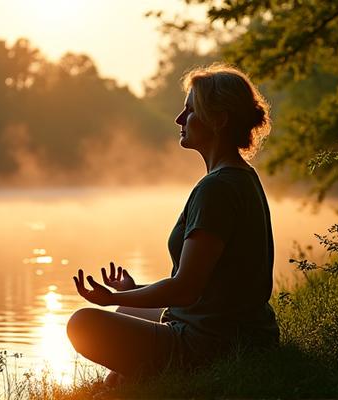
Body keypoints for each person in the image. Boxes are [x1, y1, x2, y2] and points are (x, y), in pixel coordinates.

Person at [66, 63, 280, 385]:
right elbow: (204, 286)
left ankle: (128, 382)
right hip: (239, 330)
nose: (179, 120)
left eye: (190, 111)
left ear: (218, 120)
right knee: (127, 313)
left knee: (82, 324)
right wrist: (132, 292)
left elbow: (185, 288)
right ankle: (123, 383)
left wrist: (111, 298)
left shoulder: (217, 189)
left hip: (212, 343)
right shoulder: (241, 177)